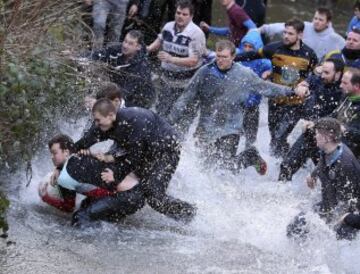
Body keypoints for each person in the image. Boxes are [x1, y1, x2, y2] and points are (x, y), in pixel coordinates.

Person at [168, 40, 308, 175]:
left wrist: (292, 90)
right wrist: (169, 121)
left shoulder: (244, 74)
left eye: (224, 57)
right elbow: (185, 97)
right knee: (206, 169)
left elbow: (266, 88)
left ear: (233, 57)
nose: (220, 60)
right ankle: (249, 156)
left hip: (231, 128)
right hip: (206, 128)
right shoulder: (205, 72)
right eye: (218, 56)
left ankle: (249, 157)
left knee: (222, 169)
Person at [75, 98, 197, 223]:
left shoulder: (133, 122)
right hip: (144, 150)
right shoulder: (104, 124)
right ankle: (112, 214)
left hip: (165, 151)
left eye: (98, 120)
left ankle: (188, 214)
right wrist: (61, 165)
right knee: (114, 170)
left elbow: (134, 158)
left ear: (111, 115)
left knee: (153, 195)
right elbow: (82, 143)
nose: (96, 124)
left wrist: (115, 176)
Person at [236, 19, 318, 157]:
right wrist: (233, 58)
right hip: (275, 101)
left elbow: (316, 76)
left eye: (290, 34)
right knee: (275, 138)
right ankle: (282, 161)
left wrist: (308, 87)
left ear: (300, 35)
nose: (286, 36)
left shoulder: (309, 54)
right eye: (284, 32)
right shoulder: (274, 48)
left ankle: (284, 166)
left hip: (295, 104)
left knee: (279, 137)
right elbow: (253, 55)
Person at [40, 134, 143, 227]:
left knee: (79, 218)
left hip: (127, 196)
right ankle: (113, 222)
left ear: (66, 152)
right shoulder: (81, 155)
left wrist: (46, 197)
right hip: (136, 190)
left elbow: (68, 208)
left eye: (54, 153)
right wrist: (58, 168)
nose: (52, 157)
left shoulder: (64, 178)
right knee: (85, 205)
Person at [279, 68, 360, 181]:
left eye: (345, 83)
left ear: (357, 86)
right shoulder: (347, 97)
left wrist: (344, 130)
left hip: (349, 155)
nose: (340, 85)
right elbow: (333, 116)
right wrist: (315, 123)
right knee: (310, 132)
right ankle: (284, 174)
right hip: (335, 145)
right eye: (341, 81)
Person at [287, 118, 360, 241]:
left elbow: (351, 198)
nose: (315, 136)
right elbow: (323, 160)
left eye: (317, 134)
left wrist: (344, 218)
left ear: (327, 138)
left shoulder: (345, 164)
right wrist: (314, 174)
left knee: (340, 235)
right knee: (295, 227)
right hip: (330, 204)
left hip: (349, 212)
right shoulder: (330, 148)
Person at [147, 0, 206, 117]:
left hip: (186, 83)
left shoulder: (196, 33)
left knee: (179, 116)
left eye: (184, 14)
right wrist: (145, 49)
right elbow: (159, 41)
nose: (180, 16)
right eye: (178, 13)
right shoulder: (168, 26)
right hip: (166, 78)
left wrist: (171, 59)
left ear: (191, 16)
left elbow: (193, 60)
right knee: (161, 112)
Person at [87, 30, 155, 108]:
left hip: (140, 100)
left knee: (113, 109)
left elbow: (125, 92)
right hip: (122, 90)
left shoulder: (142, 67)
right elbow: (96, 54)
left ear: (138, 47)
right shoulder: (117, 49)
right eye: (125, 41)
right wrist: (76, 56)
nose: (125, 46)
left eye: (130, 44)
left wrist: (99, 102)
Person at [259, 7, 345, 60]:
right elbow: (282, 27)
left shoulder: (335, 38)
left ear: (328, 22)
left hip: (316, 67)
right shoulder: (305, 26)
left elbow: (349, 49)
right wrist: (263, 29)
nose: (316, 22)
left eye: (320, 20)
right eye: (315, 18)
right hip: (297, 59)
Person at [237, 30, 272, 147]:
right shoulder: (237, 56)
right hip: (236, 105)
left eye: (250, 47)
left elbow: (276, 68)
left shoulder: (263, 62)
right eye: (245, 46)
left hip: (253, 107)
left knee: (250, 141)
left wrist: (269, 73)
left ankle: (250, 159)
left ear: (257, 47)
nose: (246, 49)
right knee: (234, 136)